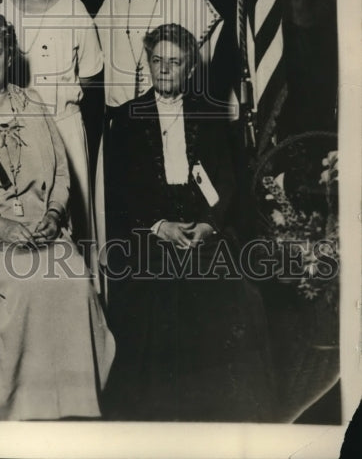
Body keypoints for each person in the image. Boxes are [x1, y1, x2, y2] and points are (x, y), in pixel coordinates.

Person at [0, 12, 115, 421]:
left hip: (40, 228)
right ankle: (19, 407)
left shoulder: (31, 103)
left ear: (9, 55)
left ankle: (75, 404)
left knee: (71, 280)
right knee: (19, 285)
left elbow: (61, 172)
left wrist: (53, 215)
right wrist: (0, 227)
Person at [104, 23, 273, 421]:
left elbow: (227, 179)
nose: (164, 69)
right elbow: (121, 189)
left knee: (233, 292)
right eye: (157, 61)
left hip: (202, 228)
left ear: (189, 68)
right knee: (155, 294)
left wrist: (209, 225)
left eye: (174, 62)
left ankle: (217, 407)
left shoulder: (210, 113)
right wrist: (159, 225)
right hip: (150, 230)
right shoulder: (127, 119)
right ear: (148, 64)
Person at [93, 0, 223, 275]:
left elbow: (201, 64)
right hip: (125, 128)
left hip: (175, 121)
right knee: (122, 224)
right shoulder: (113, 0)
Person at [0, 0, 102, 251]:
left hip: (63, 126)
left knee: (73, 217)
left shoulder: (73, 7)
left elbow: (89, 74)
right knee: (19, 220)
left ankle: (81, 295)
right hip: (9, 128)